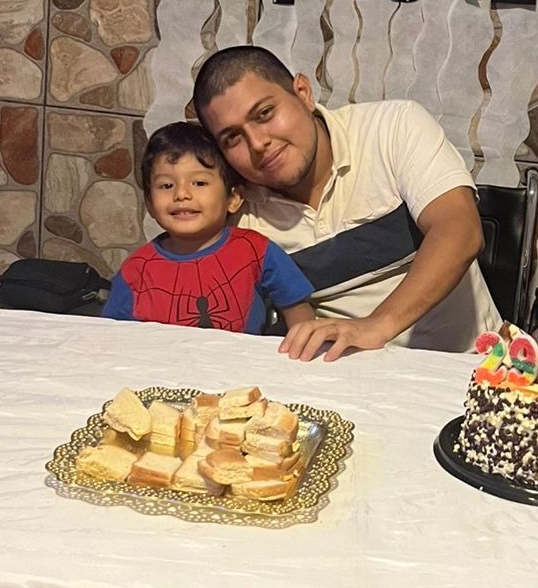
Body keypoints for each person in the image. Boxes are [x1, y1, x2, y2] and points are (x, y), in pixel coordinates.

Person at [192, 47, 500, 361]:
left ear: (303, 93)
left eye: (264, 114)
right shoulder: (237, 206)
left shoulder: (393, 127)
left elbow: (459, 229)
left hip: (473, 364)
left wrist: (376, 325)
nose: (258, 143)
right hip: (344, 377)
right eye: (232, 138)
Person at [103, 121, 316, 334]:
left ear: (233, 198)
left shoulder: (256, 250)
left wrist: (302, 344)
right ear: (149, 204)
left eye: (199, 183)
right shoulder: (136, 270)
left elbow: (297, 309)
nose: (181, 194)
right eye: (166, 185)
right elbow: (110, 334)